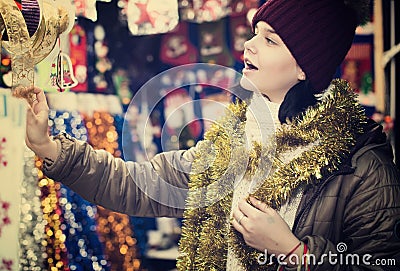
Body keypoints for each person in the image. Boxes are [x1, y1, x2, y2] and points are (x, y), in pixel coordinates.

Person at [24, 0, 400, 270]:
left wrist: (293, 252)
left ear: (306, 67)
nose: (248, 45)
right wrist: (50, 147)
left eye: (270, 40)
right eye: (255, 33)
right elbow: (139, 183)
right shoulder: (234, 142)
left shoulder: (361, 165)